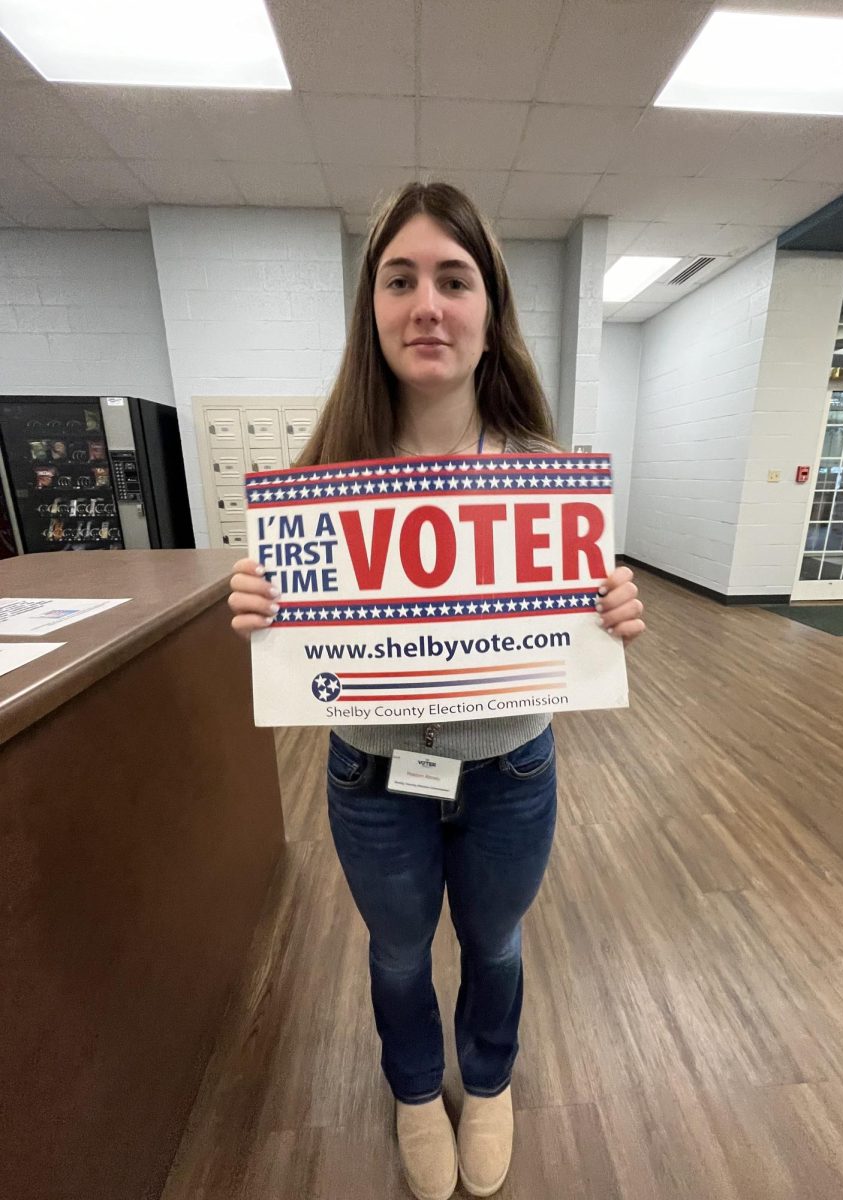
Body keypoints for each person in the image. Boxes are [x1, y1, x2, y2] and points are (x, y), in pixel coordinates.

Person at [228, 182, 645, 1200]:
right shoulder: (318, 482)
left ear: (490, 311)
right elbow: (293, 643)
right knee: (402, 952)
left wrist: (612, 609)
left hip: (512, 770)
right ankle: (418, 1093)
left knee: (495, 942)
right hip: (373, 777)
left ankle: (489, 1084)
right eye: (401, 278)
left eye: (454, 280)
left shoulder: (545, 479)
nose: (428, 304)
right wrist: (260, 605)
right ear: (371, 310)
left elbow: (577, 622)